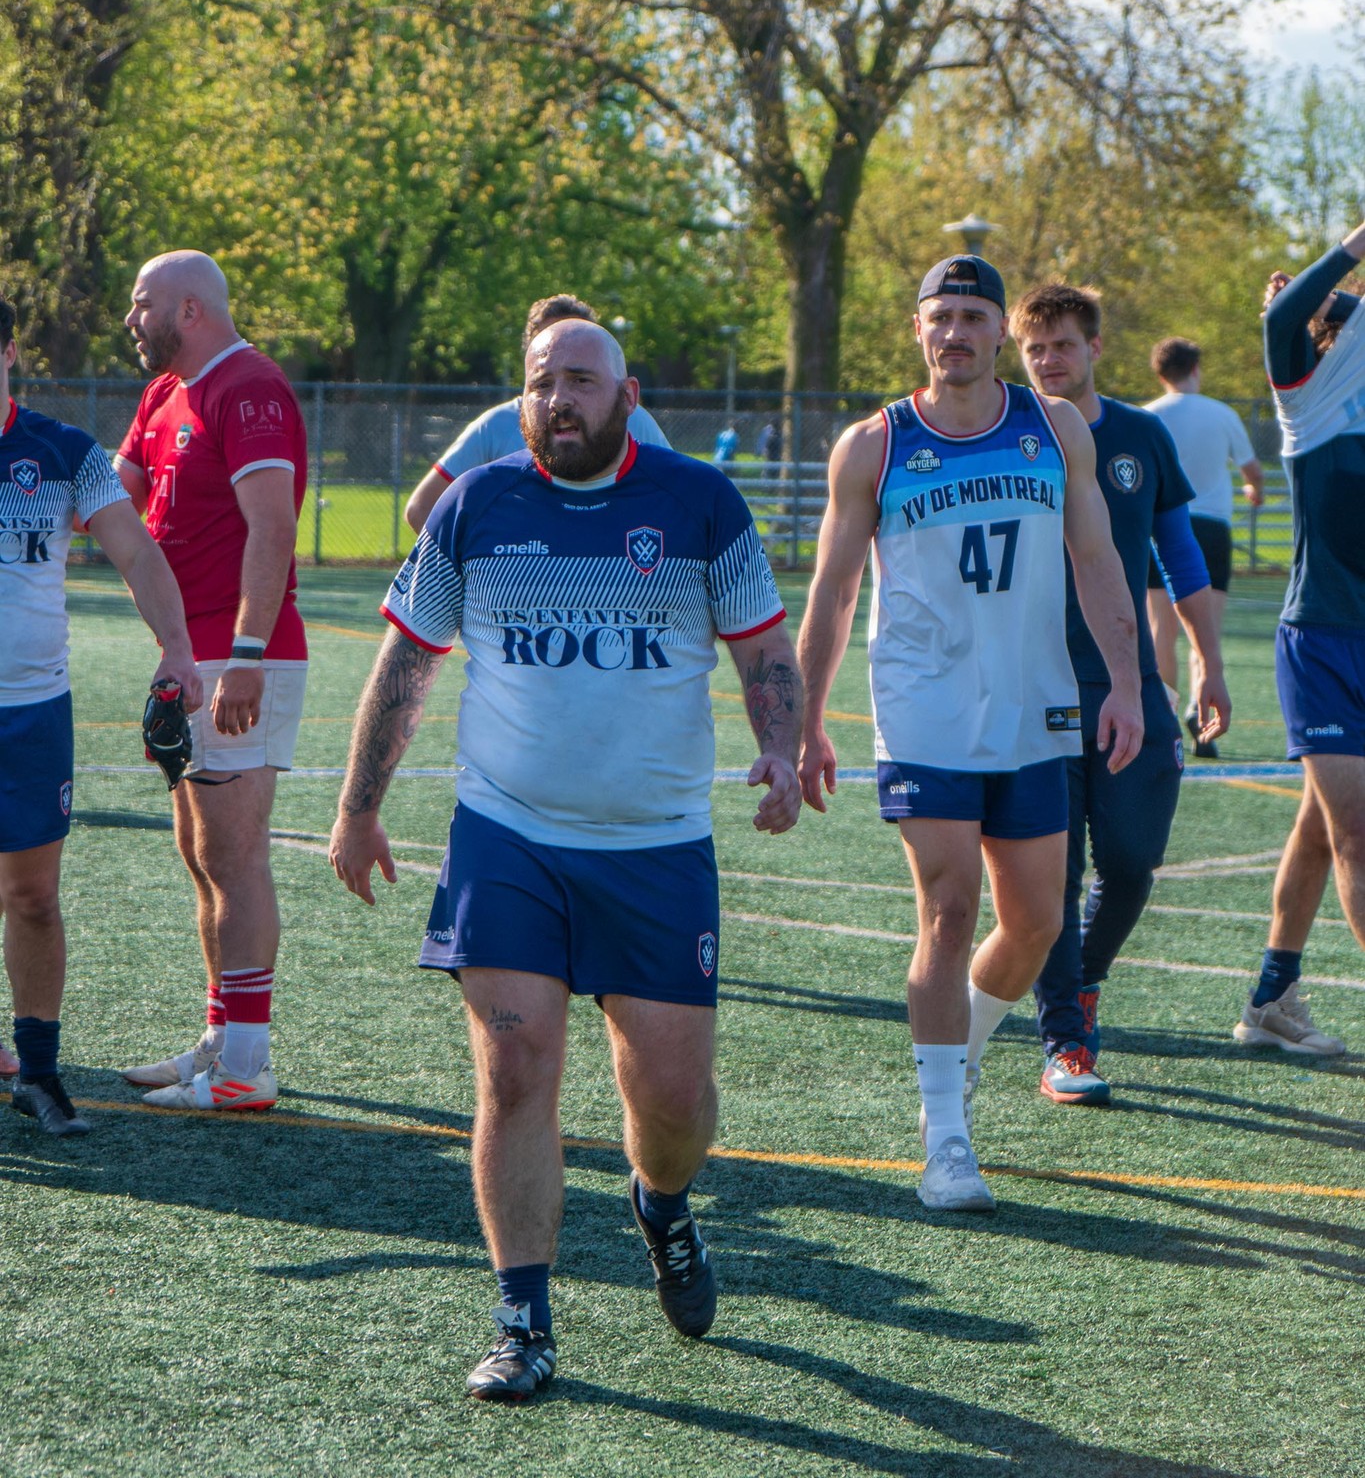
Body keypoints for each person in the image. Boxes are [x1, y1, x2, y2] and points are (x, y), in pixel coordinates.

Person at [329, 318, 813, 1401]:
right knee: (515, 1064)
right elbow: (408, 660)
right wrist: (359, 807)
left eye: (580, 381)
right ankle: (523, 1320)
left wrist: (781, 752)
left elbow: (765, 651)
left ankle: (662, 1202)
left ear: (628, 395)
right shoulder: (477, 503)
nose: (559, 399)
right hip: (507, 836)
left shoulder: (699, 504)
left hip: (655, 847)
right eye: (543, 383)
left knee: (676, 1105)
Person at [797, 255, 1142, 1212]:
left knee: (1033, 923)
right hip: (923, 712)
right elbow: (831, 593)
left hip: (1034, 710)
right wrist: (806, 718)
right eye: (938, 317)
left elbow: (1096, 557)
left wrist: (1124, 684)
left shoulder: (1053, 426)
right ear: (918, 331)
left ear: (1001, 332)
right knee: (949, 910)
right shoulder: (874, 445)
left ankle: (964, 1046)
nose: (954, 333)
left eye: (971, 317)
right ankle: (944, 1134)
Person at [1011, 285, 1232, 1104]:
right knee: (1054, 872)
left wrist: (1206, 662)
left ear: (1094, 348)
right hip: (1035, 690)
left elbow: (1177, 555)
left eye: (1062, 345)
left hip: (1130, 684)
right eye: (1034, 349)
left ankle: (1084, 976)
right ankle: (1065, 1042)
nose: (1048, 361)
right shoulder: (1006, 438)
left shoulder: (1140, 435)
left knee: (1132, 863)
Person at [0, 294, 202, 1135]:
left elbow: (137, 550)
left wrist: (179, 647)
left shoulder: (62, 453)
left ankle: (38, 1074)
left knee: (34, 897)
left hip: (32, 712)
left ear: (8, 351)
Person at [113, 251, 308, 1113]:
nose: (130, 318)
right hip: (185, 657)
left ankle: (247, 1067)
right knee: (201, 855)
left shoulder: (248, 386)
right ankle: (220, 1039)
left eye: (140, 303)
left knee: (233, 853)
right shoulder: (163, 394)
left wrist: (248, 652)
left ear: (189, 309)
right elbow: (109, 500)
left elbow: (271, 529)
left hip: (237, 657)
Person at [1233, 233, 1365, 1058]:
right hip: (1320, 641)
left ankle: (1271, 998)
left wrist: (1331, 300)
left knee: (1322, 828)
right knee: (1356, 831)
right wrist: (1347, 250)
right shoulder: (1308, 395)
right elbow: (1286, 314)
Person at [404, 295, 669, 533]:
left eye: (579, 376)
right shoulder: (496, 426)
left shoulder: (631, 418)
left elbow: (678, 499)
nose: (563, 347)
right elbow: (421, 508)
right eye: (552, 339)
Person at [1144, 336, 1264, 758]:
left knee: (1162, 630)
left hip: (1160, 526)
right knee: (1205, 633)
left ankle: (1162, 720)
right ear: (1197, 369)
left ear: (1161, 375)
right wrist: (1254, 490)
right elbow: (1252, 471)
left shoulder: (1147, 416)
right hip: (1211, 527)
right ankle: (1201, 712)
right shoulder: (1223, 413)